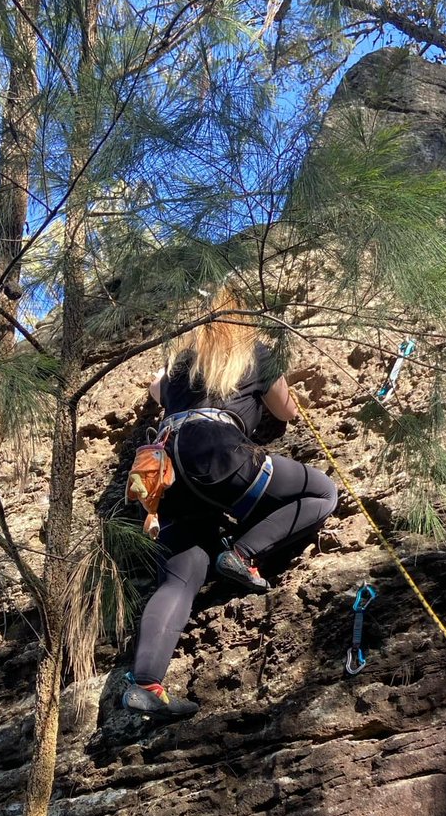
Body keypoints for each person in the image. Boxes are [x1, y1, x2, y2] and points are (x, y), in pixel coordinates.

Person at [123, 287, 338, 718]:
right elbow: (286, 412)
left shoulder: (182, 362)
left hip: (165, 467)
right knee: (322, 492)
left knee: (181, 578)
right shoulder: (256, 353)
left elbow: (154, 388)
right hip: (219, 452)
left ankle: (145, 684)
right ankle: (243, 554)